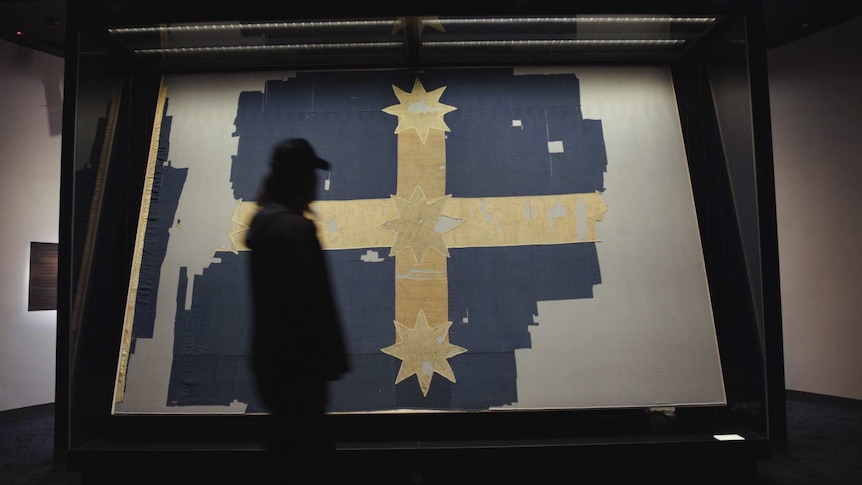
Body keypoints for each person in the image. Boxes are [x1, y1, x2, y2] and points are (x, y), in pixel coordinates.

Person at [245, 138, 349, 484]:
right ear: (301, 178)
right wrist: (330, 358)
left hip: (277, 369)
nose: (315, 184)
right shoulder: (294, 230)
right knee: (306, 460)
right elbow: (310, 306)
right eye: (310, 175)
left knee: (289, 453)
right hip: (300, 371)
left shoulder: (265, 225)